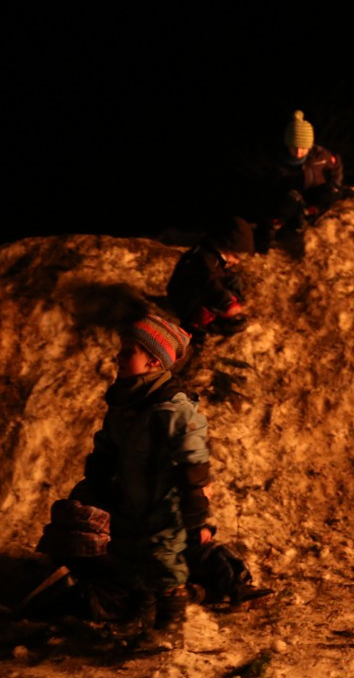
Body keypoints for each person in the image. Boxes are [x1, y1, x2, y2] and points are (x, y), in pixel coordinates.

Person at [69, 315, 211, 642]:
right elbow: (108, 444)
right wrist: (97, 478)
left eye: (128, 352)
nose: (118, 358)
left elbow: (193, 452)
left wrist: (194, 497)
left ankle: (170, 626)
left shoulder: (170, 406)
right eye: (120, 351)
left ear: (152, 360)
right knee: (131, 554)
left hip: (165, 500)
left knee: (164, 556)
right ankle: (142, 616)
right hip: (132, 498)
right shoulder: (124, 402)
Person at [258, 110, 347, 252]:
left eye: (303, 148)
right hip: (291, 200)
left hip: (314, 196)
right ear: (288, 145)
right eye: (295, 148)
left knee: (334, 191)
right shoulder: (277, 163)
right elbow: (269, 190)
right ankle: (274, 234)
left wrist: (336, 182)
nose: (299, 152)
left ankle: (312, 214)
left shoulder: (320, 155)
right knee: (289, 200)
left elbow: (336, 164)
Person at [167, 216, 254, 339]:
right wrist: (227, 302)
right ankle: (197, 325)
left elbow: (219, 276)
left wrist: (232, 299)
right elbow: (208, 282)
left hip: (201, 291)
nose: (237, 261)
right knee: (210, 299)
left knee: (234, 281)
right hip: (185, 298)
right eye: (236, 255)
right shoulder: (201, 258)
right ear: (224, 244)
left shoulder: (215, 256)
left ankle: (224, 315)